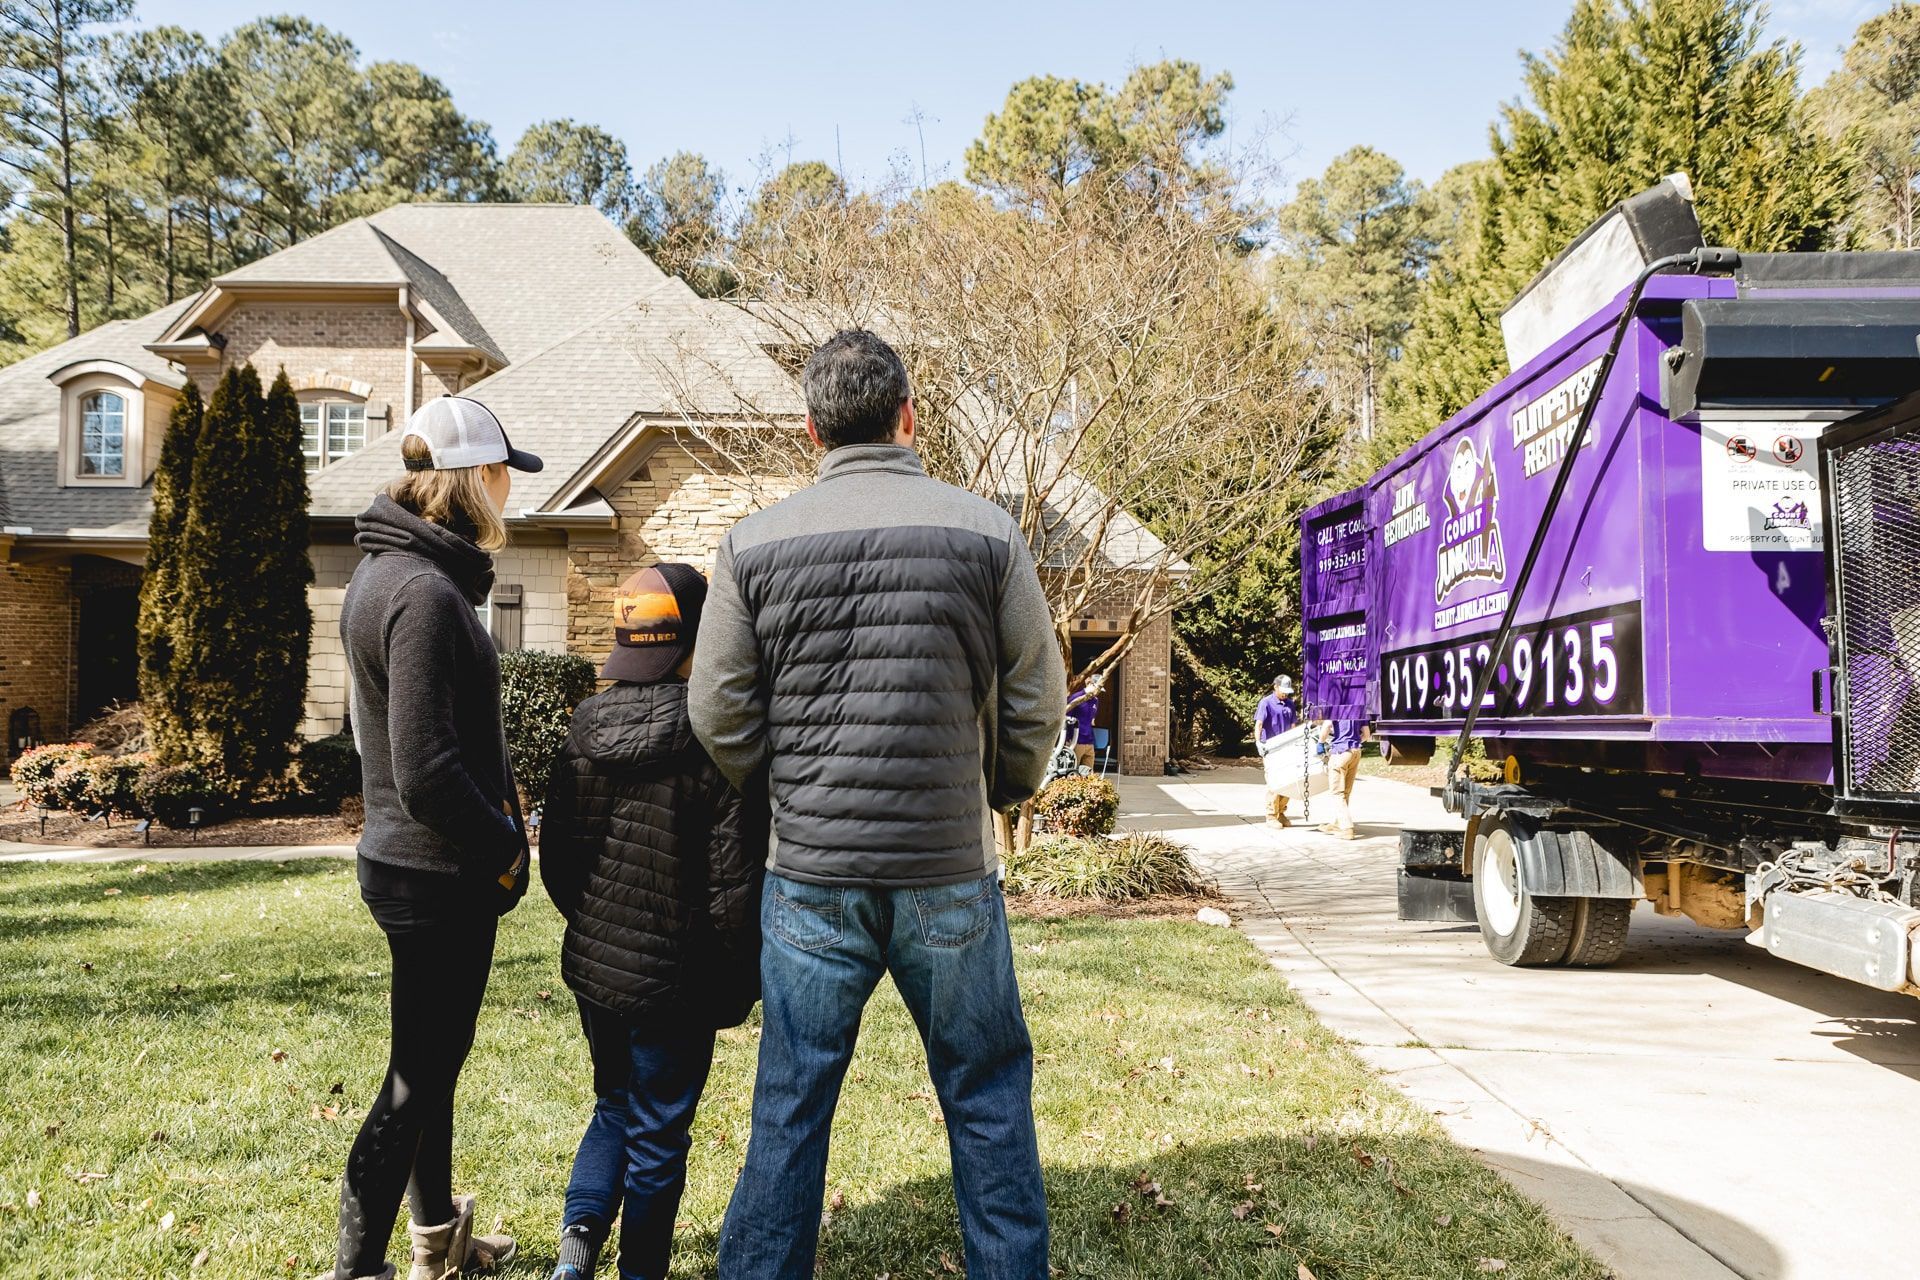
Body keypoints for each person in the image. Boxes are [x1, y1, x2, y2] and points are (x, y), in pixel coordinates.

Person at [689, 328, 1065, 1279]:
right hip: (949, 869)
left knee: (791, 1101)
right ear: (907, 416)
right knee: (985, 1094)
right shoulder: (987, 530)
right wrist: (1004, 790)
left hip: (811, 874)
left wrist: (785, 791)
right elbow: (1036, 694)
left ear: (811, 426)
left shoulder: (751, 543)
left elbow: (718, 709)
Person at [327, 396, 543, 1280]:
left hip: (408, 862)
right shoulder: (420, 591)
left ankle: (435, 1244)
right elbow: (422, 768)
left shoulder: (386, 572)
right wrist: (502, 847)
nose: (508, 492)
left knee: (433, 1067)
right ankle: (359, 1266)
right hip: (436, 874)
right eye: (503, 474)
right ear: (473, 480)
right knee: (414, 1080)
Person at [539, 563, 763, 1280]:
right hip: (677, 979)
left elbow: (560, 863)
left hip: (596, 969)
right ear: (696, 641)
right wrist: (741, 980)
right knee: (660, 1133)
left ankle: (576, 1250)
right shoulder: (712, 736)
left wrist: (601, 928)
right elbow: (733, 890)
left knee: (613, 1103)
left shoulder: (582, 726)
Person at [1254, 675, 1299, 827]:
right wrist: (1258, 742)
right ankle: (1271, 815)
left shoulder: (1290, 704)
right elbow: (1259, 724)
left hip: (1286, 747)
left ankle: (1281, 812)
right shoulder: (1265, 703)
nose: (1285, 694)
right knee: (1274, 783)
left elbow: (1293, 726)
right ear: (1275, 687)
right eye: (1283, 691)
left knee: (1287, 782)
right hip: (1271, 748)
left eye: (1287, 691)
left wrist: (1295, 743)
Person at [1318, 715, 1372, 840]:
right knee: (1345, 791)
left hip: (1340, 752)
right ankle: (1338, 823)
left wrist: (1321, 742)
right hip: (1355, 752)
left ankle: (1347, 829)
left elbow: (1327, 725)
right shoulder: (1359, 709)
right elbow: (1367, 735)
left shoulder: (1335, 707)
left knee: (1337, 792)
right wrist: (1355, 742)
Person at [1069, 675, 1100, 771]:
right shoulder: (1076, 698)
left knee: (1088, 772)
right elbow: (1067, 720)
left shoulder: (1095, 700)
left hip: (1089, 741)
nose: (1098, 692)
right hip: (1076, 741)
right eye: (1097, 689)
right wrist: (1068, 739)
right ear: (1091, 684)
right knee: (1073, 771)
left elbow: (1092, 721)